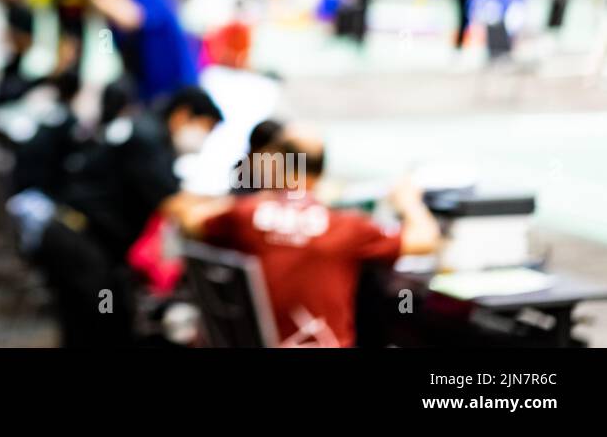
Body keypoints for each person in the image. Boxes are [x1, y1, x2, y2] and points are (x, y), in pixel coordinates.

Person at [175, 127, 440, 348]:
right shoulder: (346, 227)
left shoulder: (244, 216)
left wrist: (257, 196)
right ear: (320, 173)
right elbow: (424, 240)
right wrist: (409, 201)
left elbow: (188, 217)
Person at [27, 86, 224, 347]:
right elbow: (173, 203)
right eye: (205, 127)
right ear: (183, 115)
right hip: (82, 243)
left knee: (84, 330)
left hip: (71, 234)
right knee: (102, 331)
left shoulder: (143, 130)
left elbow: (172, 191)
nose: (204, 139)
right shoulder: (148, 139)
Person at [82, 0, 199, 103]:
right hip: (145, 91)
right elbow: (105, 47)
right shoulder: (110, 17)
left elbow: (132, 18)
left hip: (176, 86)